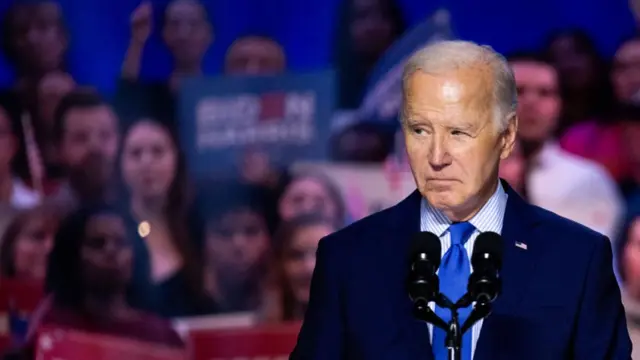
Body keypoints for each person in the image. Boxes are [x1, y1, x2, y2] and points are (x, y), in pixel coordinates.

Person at [291, 40, 631, 359]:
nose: (437, 156)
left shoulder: (575, 259)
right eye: (420, 130)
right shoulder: (348, 257)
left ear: (507, 136)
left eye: (459, 132)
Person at [508, 52, 624, 240]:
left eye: (545, 93)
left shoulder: (587, 180)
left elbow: (589, 262)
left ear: (560, 104)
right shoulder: (463, 178)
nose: (531, 102)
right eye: (518, 91)